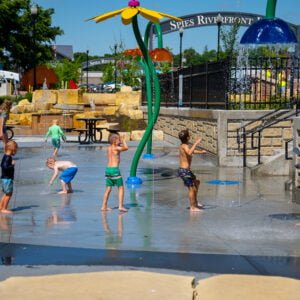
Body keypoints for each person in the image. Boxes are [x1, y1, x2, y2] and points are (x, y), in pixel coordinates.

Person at [178, 129, 206, 212]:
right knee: (191, 188)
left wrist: (201, 152)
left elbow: (190, 151)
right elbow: (189, 153)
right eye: (189, 135)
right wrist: (196, 143)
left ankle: (195, 203)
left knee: (197, 182)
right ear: (187, 137)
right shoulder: (185, 146)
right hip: (184, 171)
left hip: (185, 171)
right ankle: (192, 207)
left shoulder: (182, 145)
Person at [101, 133, 128, 212]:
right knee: (120, 187)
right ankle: (120, 206)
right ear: (114, 141)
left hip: (108, 170)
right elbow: (126, 148)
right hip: (115, 170)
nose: (120, 141)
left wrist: (119, 142)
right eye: (118, 139)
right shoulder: (116, 148)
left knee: (108, 188)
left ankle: (103, 206)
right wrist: (123, 140)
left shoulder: (109, 148)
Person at [0, 140, 18, 214]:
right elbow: (5, 167)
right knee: (9, 194)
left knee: (6, 193)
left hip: (4, 178)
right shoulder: (8, 157)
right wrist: (12, 165)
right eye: (16, 149)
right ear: (12, 149)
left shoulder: (5, 156)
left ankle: (1, 207)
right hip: (7, 179)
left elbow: (1, 165)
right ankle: (4, 208)